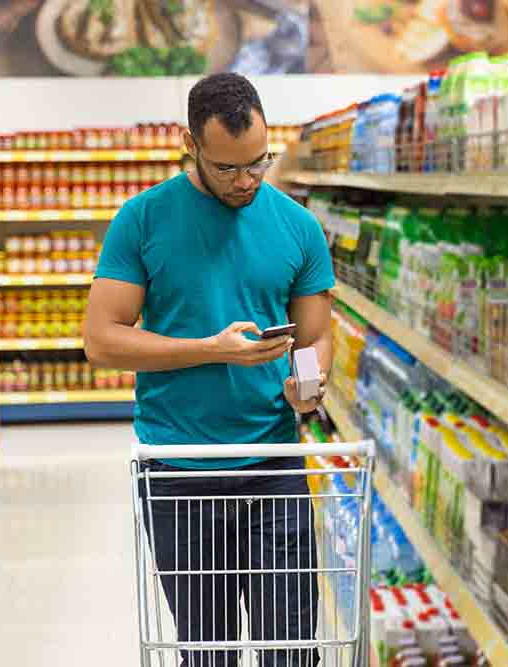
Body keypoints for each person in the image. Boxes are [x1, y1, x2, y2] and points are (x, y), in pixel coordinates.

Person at [84, 73, 333, 667]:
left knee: (291, 651)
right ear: (189, 143)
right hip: (177, 469)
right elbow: (101, 340)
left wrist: (309, 383)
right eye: (228, 169)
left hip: (274, 466)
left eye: (259, 163)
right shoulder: (142, 220)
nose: (247, 180)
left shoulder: (298, 226)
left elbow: (316, 335)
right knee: (205, 650)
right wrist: (210, 349)